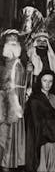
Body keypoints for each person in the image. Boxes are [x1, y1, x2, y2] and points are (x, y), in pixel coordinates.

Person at [25, 70, 55, 172]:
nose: (47, 84)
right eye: (45, 80)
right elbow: (35, 121)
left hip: (54, 137)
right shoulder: (34, 99)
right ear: (40, 81)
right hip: (41, 138)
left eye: (50, 81)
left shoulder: (54, 98)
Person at [0, 29, 26, 170]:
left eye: (15, 39)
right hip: (8, 101)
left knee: (16, 131)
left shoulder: (20, 62)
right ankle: (5, 164)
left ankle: (15, 161)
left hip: (20, 99)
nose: (13, 40)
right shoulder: (4, 64)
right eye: (10, 39)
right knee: (6, 132)